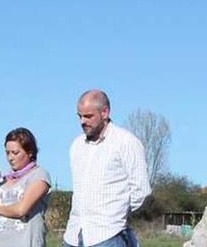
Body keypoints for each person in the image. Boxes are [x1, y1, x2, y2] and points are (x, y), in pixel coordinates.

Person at [63, 90, 151, 247]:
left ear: (104, 112)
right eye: (79, 116)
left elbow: (141, 190)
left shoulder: (126, 142)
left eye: (88, 116)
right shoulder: (77, 146)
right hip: (74, 235)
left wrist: (115, 213)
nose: (83, 121)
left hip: (108, 235)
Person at [0, 127, 51, 247]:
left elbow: (21, 210)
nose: (10, 158)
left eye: (15, 153)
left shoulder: (39, 175)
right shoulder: (2, 181)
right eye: (7, 153)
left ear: (30, 152)